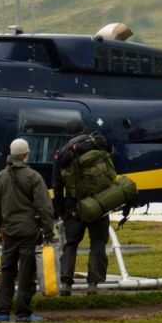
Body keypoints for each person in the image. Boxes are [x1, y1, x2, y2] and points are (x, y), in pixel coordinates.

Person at [0, 138, 55, 323]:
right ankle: (23, 313)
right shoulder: (34, 177)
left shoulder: (0, 177)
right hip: (29, 232)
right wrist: (48, 233)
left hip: (8, 232)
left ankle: (2, 311)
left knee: (7, 270)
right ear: (26, 154)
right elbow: (45, 208)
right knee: (26, 272)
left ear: (11, 153)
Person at [52, 120, 114, 296]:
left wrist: (61, 211)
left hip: (74, 207)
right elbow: (110, 173)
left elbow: (57, 186)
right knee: (98, 244)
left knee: (71, 245)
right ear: (83, 131)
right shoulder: (98, 145)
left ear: (68, 136)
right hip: (99, 204)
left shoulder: (62, 155)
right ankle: (93, 285)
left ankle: (66, 284)